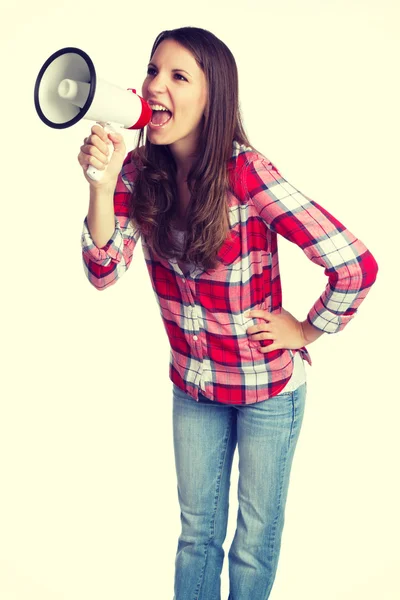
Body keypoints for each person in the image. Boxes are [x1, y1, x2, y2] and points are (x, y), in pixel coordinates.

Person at [78, 26, 378, 600]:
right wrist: (101, 183)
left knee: (253, 540)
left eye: (178, 75)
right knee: (197, 538)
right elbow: (104, 271)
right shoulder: (138, 171)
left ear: (213, 98)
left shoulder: (246, 172)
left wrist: (307, 328)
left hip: (268, 389)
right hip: (194, 386)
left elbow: (355, 264)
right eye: (152, 70)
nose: (155, 85)